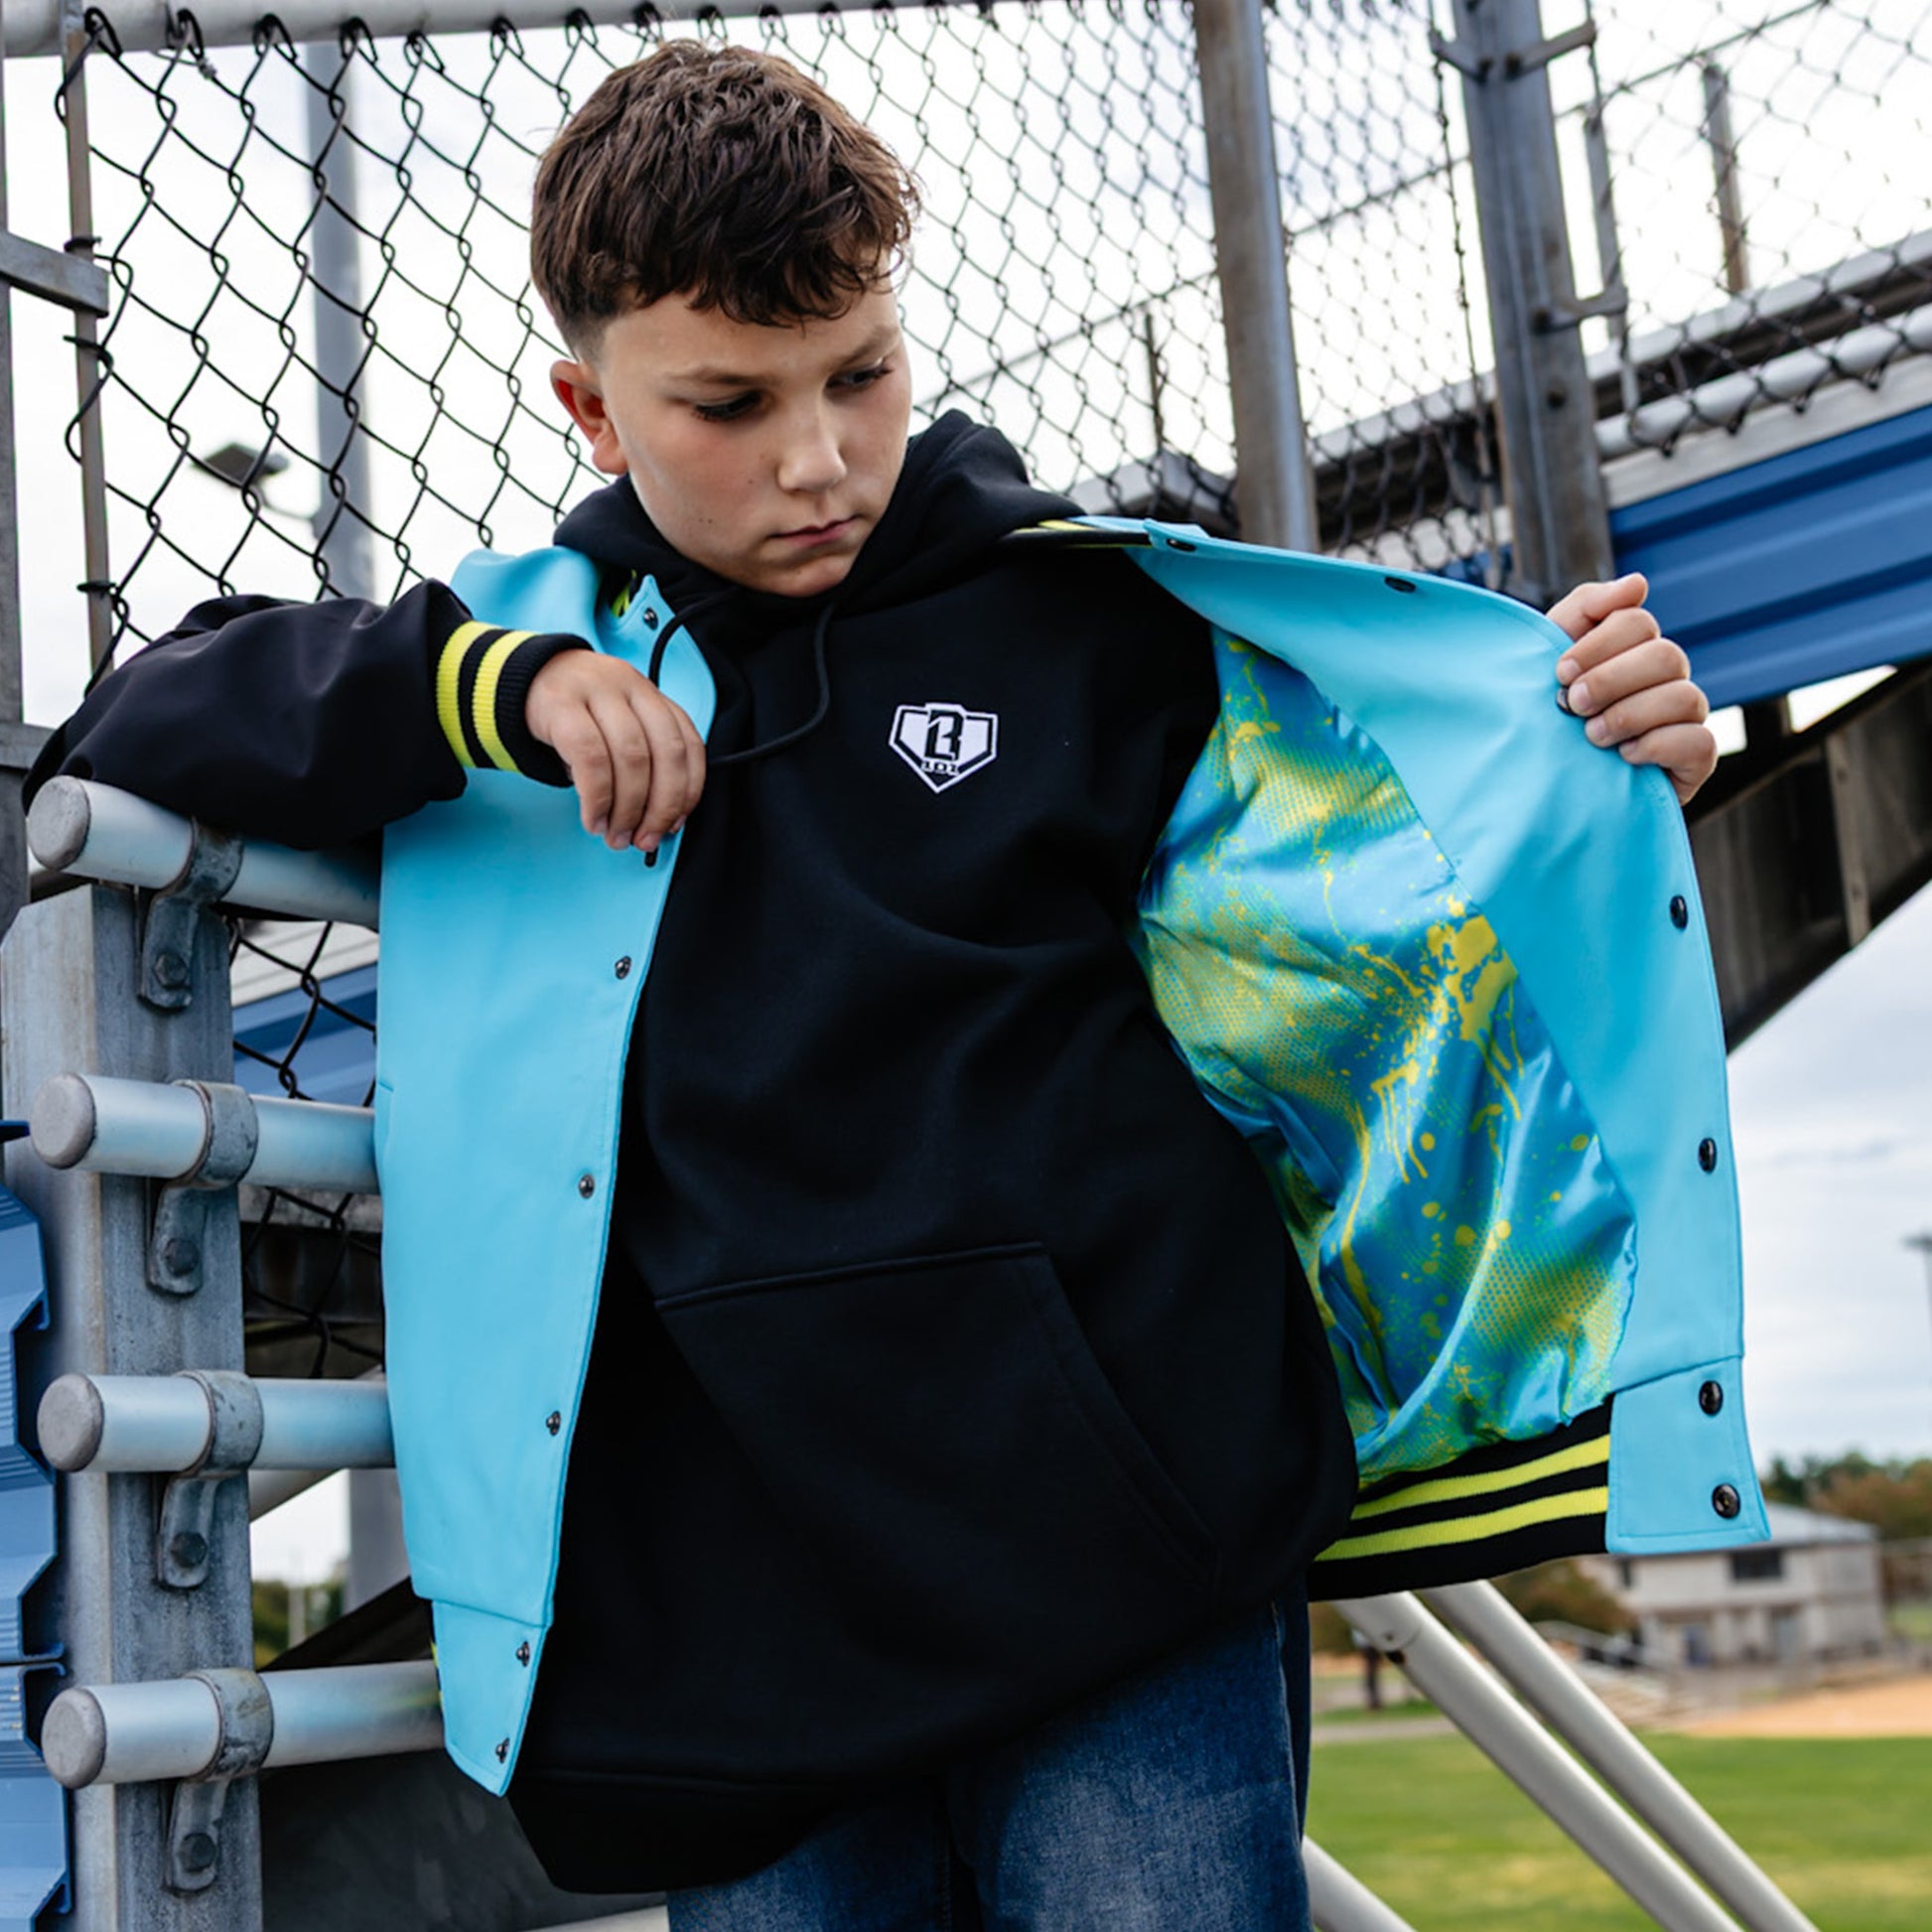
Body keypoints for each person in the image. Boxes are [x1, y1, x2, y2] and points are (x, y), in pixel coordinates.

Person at [30, 43, 1723, 1929]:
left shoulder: (1087, 618)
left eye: (861, 375)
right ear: (593, 409)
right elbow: (135, 719)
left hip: (1121, 1575)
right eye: (729, 405)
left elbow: (1414, 824)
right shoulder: (522, 667)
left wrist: (1599, 748)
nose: (820, 456)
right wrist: (477, 686)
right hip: (734, 1632)